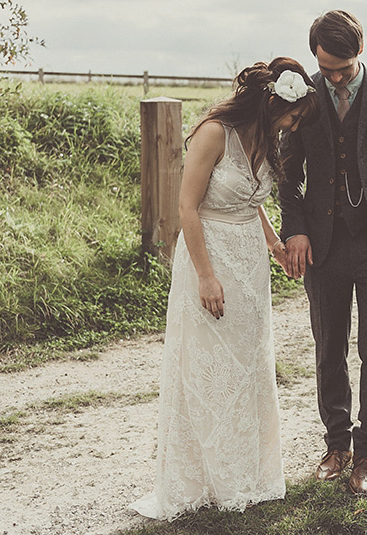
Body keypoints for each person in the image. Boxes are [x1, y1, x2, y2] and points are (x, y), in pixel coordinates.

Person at [131, 57, 319, 519]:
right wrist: (206, 275)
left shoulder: (269, 138)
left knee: (247, 366)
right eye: (293, 115)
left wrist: (273, 241)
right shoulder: (214, 133)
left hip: (250, 262)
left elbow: (250, 198)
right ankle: (202, 479)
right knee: (206, 367)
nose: (294, 125)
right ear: (270, 101)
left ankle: (244, 474)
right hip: (209, 254)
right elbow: (188, 208)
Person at [278, 10, 367, 495]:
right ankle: (336, 443)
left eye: (343, 68)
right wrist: (294, 230)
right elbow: (287, 172)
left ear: (359, 52)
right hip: (322, 246)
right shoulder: (304, 96)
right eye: (326, 69)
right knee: (329, 348)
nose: (335, 78)